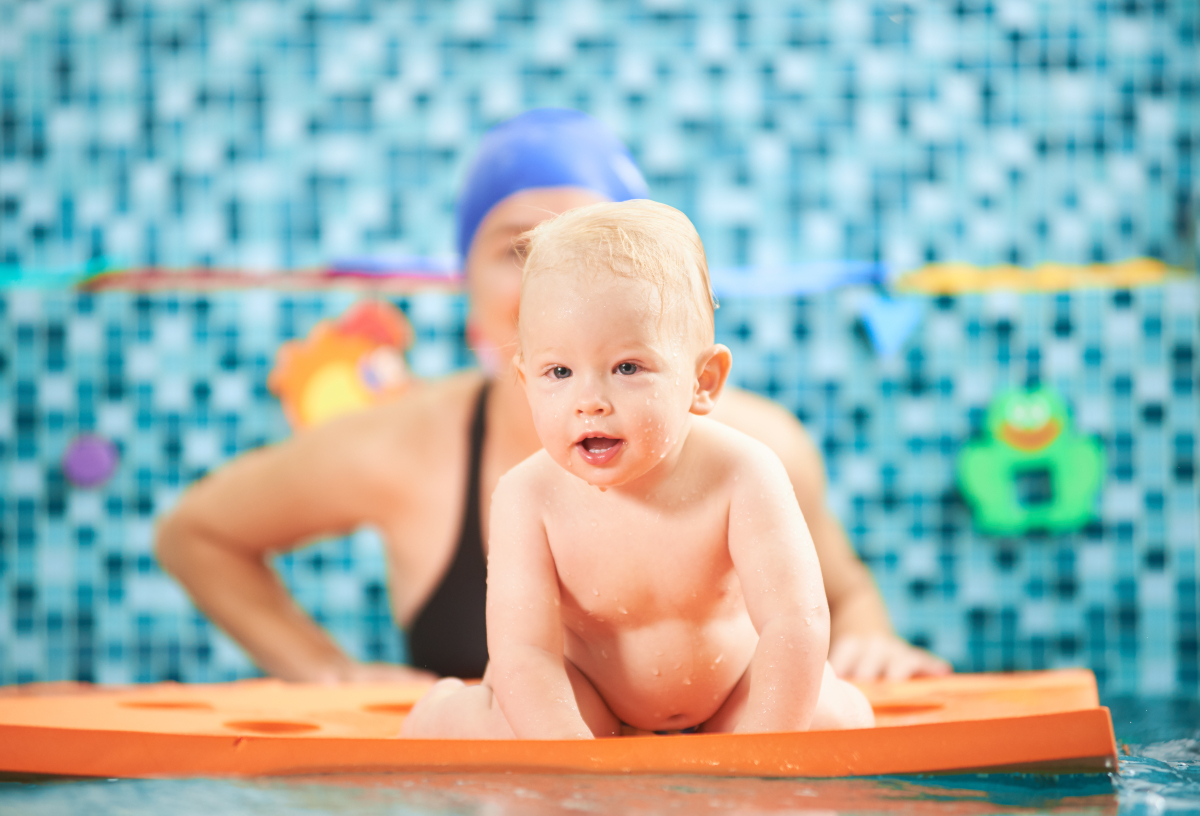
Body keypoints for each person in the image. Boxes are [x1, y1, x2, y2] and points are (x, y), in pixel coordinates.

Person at [155, 108, 948, 684]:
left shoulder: (754, 447)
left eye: (584, 244)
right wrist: (328, 674)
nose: (554, 281)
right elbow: (198, 533)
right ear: (466, 286)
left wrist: (869, 643)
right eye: (519, 249)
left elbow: (842, 597)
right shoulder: (404, 446)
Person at [400, 200, 875, 738]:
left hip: (729, 697)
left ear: (704, 382)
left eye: (627, 367)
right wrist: (571, 759)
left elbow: (796, 623)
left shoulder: (743, 474)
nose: (590, 400)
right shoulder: (528, 496)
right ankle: (443, 709)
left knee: (837, 719)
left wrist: (761, 752)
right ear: (525, 380)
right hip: (586, 698)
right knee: (501, 723)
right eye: (559, 371)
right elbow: (525, 652)